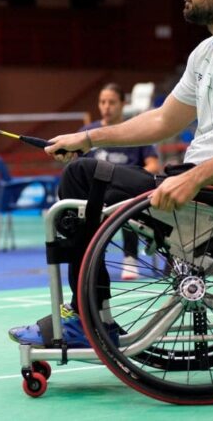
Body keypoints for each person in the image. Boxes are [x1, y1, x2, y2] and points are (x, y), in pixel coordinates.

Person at [9, 0, 213, 349]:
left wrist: (194, 177)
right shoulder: (211, 51)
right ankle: (88, 315)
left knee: (81, 178)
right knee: (85, 169)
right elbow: (164, 120)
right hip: (205, 194)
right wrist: (89, 137)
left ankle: (87, 317)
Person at [81, 83, 160, 280]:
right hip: (97, 194)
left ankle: (130, 259)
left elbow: (153, 165)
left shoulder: (135, 131)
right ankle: (91, 262)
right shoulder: (88, 133)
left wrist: (131, 178)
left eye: (112, 102)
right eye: (102, 102)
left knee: (124, 203)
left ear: (123, 104)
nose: (106, 106)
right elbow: (78, 167)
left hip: (127, 195)